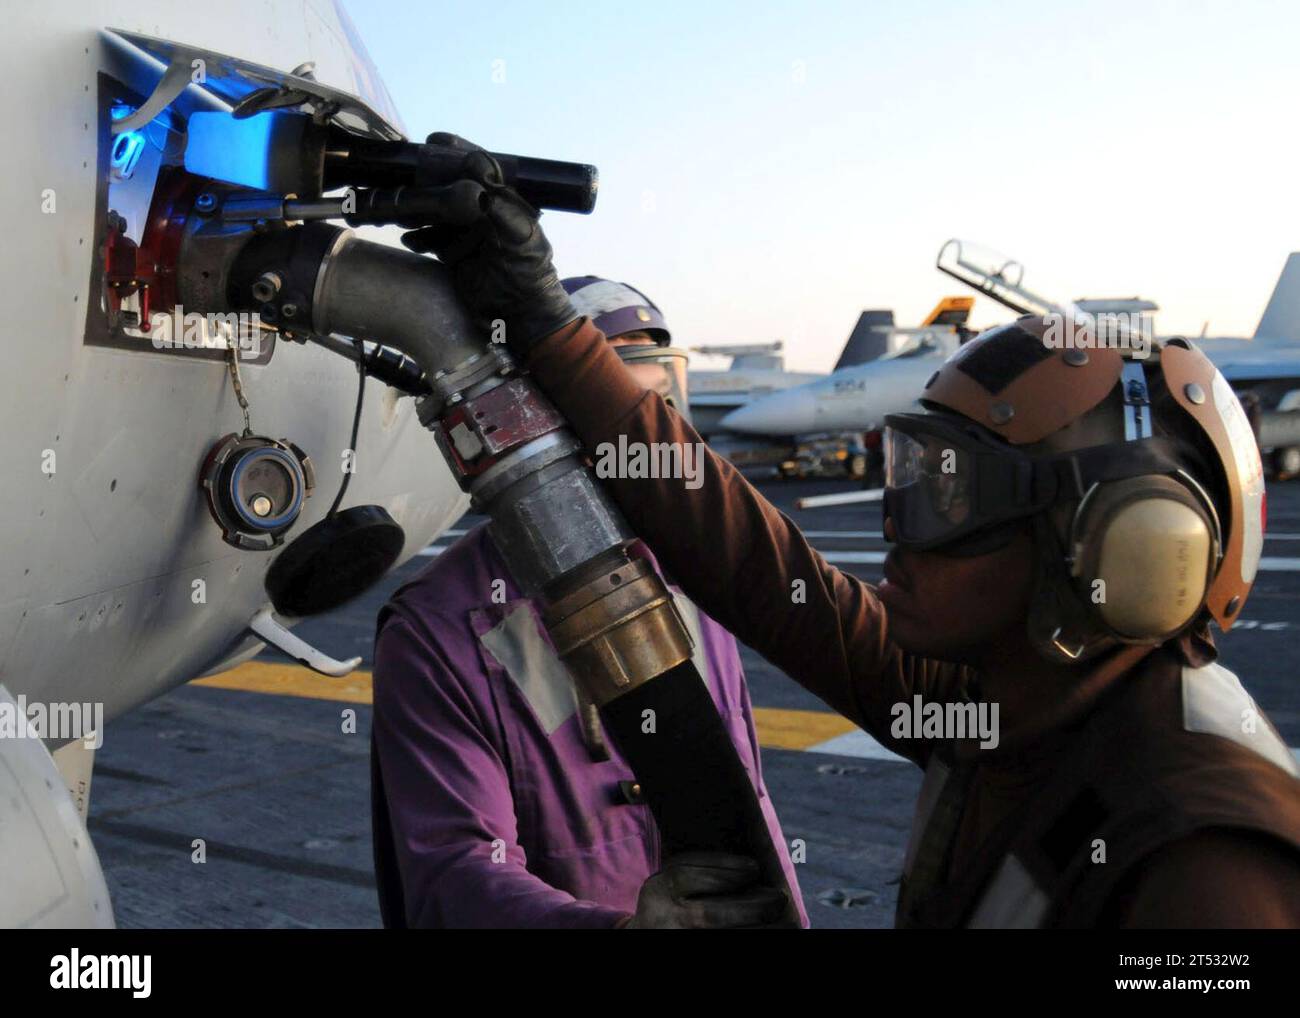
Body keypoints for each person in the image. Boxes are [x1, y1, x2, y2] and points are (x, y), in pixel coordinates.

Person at [391, 135, 1300, 928]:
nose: (897, 533)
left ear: (1117, 553)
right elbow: (751, 561)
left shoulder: (1205, 862)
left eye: (948, 496)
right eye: (906, 480)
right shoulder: (1004, 703)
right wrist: (544, 317)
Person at [370, 274, 806, 929]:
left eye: (659, 409)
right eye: (621, 412)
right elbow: (453, 877)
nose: (652, 444)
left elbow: (750, 798)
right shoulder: (439, 634)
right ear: (532, 425)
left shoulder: (688, 576)